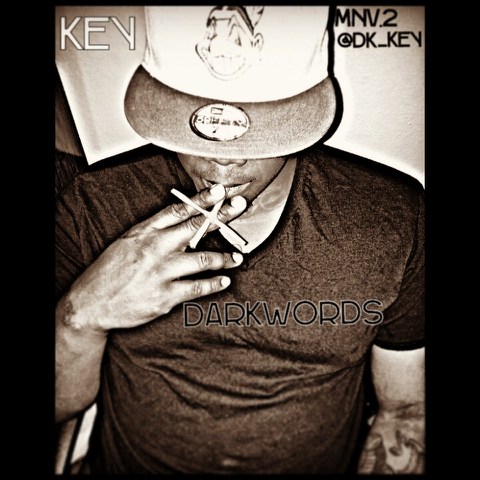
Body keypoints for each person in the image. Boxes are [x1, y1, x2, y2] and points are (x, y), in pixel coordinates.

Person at [55, 6, 425, 474]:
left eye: (256, 131)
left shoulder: (392, 220)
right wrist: (81, 318)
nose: (223, 163)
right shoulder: (95, 204)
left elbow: (405, 411)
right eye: (196, 127)